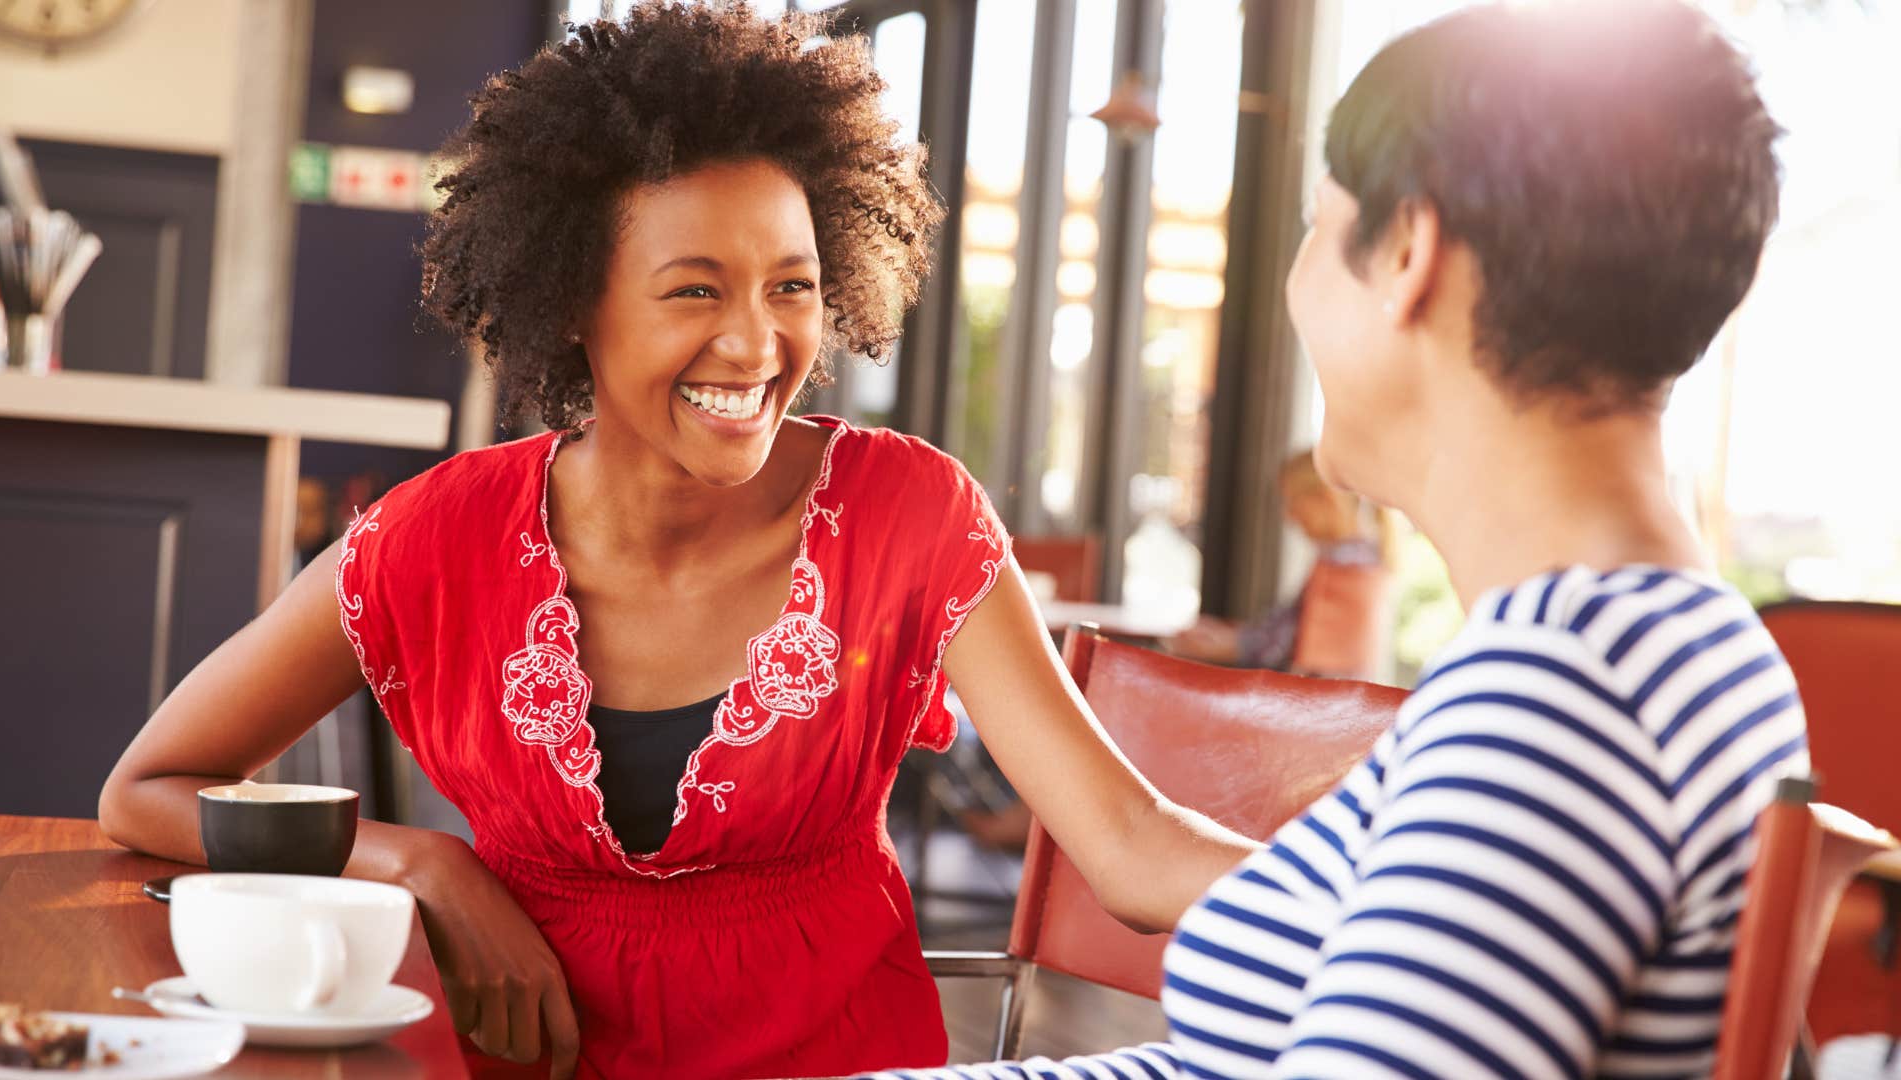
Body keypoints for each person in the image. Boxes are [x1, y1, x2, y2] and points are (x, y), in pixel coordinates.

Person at [96, 7, 1254, 1079]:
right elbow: (147, 787)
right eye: (694, 292)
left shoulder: (912, 513)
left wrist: (1397, 890)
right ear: (569, 305)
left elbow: (1132, 846)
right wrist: (422, 864)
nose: (756, 345)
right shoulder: (432, 538)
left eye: (792, 285)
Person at [884, 2, 1807, 1077]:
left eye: (1318, 225)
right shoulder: (1659, 645)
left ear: (1409, 248)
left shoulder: (1562, 693)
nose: (1293, 286)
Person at [1167, 449, 1393, 679]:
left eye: (1294, 502)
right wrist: (1231, 636)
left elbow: (1288, 640)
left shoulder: (1347, 565)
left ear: (1324, 499)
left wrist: (1228, 645)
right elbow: (1291, 624)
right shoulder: (1358, 558)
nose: (1289, 515)